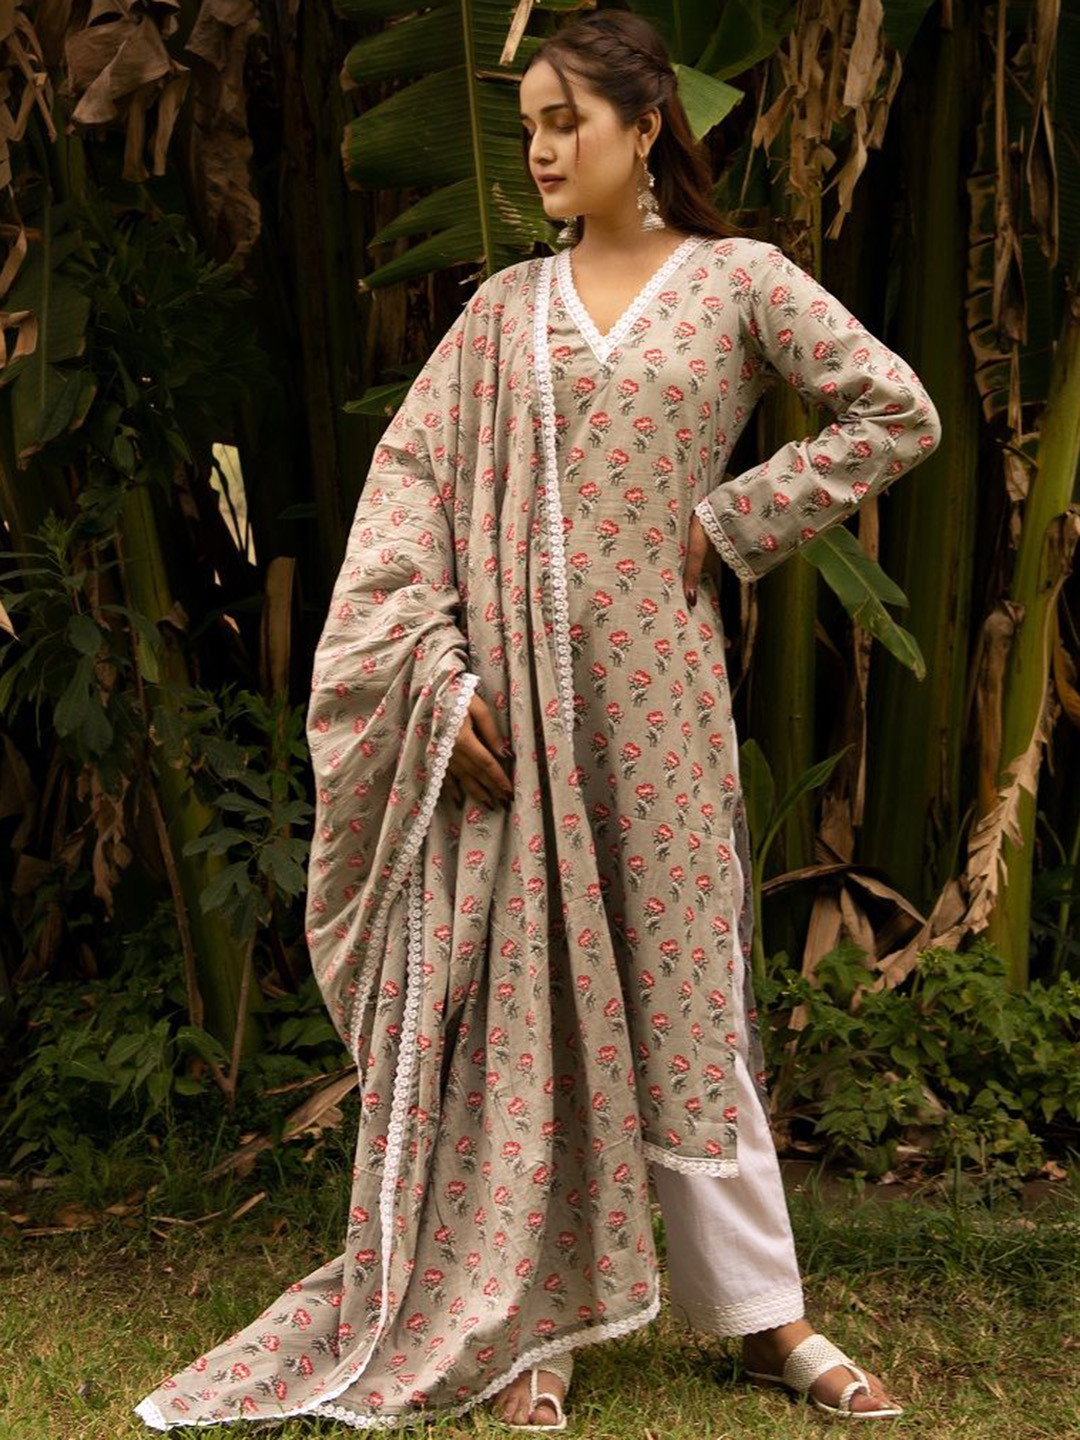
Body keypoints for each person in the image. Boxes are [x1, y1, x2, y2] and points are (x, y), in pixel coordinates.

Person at [133, 11, 940, 1434]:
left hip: (662, 706)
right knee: (528, 1009)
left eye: (568, 122)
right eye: (528, 129)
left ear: (646, 126)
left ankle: (770, 1320)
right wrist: (432, 675)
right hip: (509, 716)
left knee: (687, 997)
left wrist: (731, 523)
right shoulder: (505, 311)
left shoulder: (740, 281)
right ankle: (533, 1324)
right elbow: (412, 490)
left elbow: (896, 411)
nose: (543, 151)